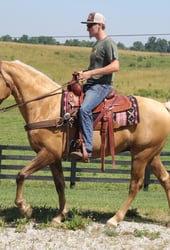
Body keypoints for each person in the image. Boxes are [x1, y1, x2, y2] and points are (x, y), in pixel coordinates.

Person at [71, 12, 120, 162]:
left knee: (85, 109)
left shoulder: (108, 42)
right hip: (91, 84)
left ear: (100, 26)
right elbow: (95, 67)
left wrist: (90, 73)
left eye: (90, 25)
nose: (87, 28)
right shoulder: (96, 45)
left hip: (101, 86)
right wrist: (83, 73)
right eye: (87, 25)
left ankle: (88, 148)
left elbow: (115, 66)